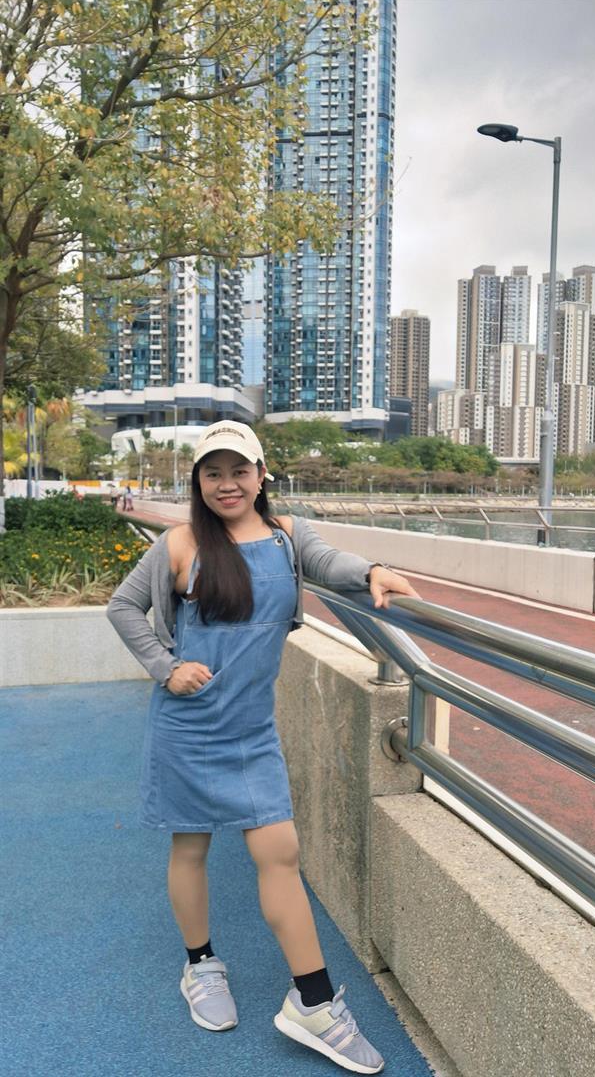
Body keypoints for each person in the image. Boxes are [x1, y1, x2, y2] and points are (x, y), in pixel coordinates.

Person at [107, 420, 420, 1075]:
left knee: (281, 853)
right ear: (198, 481)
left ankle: (313, 1003)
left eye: (239, 471)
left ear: (260, 475)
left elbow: (329, 563)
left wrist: (373, 572)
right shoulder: (180, 543)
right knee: (190, 847)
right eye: (213, 473)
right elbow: (123, 608)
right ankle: (201, 966)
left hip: (251, 730)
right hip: (189, 726)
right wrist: (166, 667)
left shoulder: (287, 535)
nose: (227, 484)